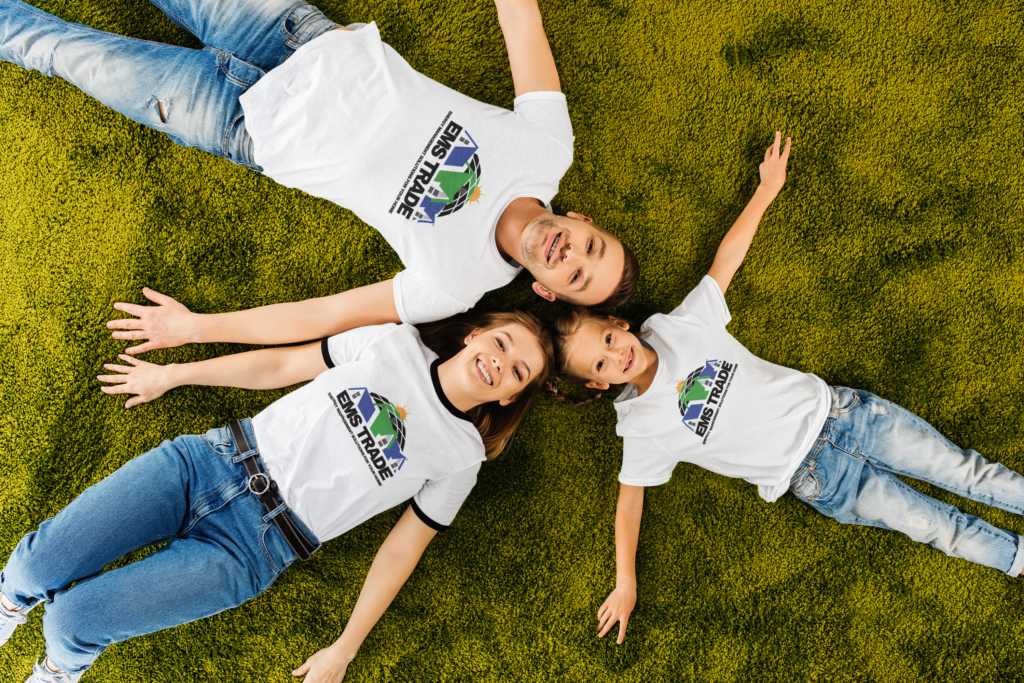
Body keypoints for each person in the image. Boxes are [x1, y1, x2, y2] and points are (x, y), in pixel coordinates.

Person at [547, 132, 1024, 644]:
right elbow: (629, 503)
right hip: (820, 480)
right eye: (603, 362)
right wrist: (626, 581)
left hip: (848, 415)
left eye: (608, 338)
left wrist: (765, 191)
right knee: (937, 527)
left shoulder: (676, 326)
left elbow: (724, 263)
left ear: (617, 323)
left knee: (965, 471)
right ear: (599, 382)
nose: (618, 354)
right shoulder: (641, 428)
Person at [0, 0, 639, 350]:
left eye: (575, 275)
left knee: (62, 53)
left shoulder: (455, 286)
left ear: (548, 291)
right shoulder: (549, 148)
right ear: (583, 222)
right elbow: (520, 21)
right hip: (291, 36)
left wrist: (196, 330)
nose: (570, 253)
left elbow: (323, 317)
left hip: (242, 126)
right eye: (591, 245)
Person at [0, 311, 554, 683]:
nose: (501, 362)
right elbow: (284, 365)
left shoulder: (462, 456)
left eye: (518, 370)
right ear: (475, 335)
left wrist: (345, 647)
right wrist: (174, 375)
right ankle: (8, 606)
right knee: (31, 567)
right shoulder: (392, 342)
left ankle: (53, 674)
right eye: (501, 343)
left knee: (71, 623)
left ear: (512, 394)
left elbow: (401, 551)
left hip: (254, 549)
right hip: (207, 463)